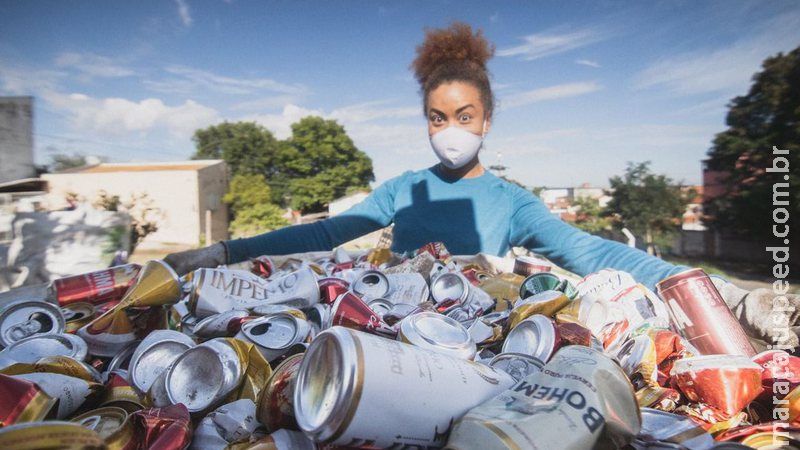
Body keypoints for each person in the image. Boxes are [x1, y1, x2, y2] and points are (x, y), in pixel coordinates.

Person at [165, 22, 798, 348]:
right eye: (438, 118)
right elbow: (328, 233)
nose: (450, 130)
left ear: (486, 121)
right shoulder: (404, 190)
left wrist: (727, 294)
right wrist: (222, 254)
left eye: (463, 117)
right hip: (388, 329)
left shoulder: (512, 201)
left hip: (477, 341)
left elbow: (595, 254)